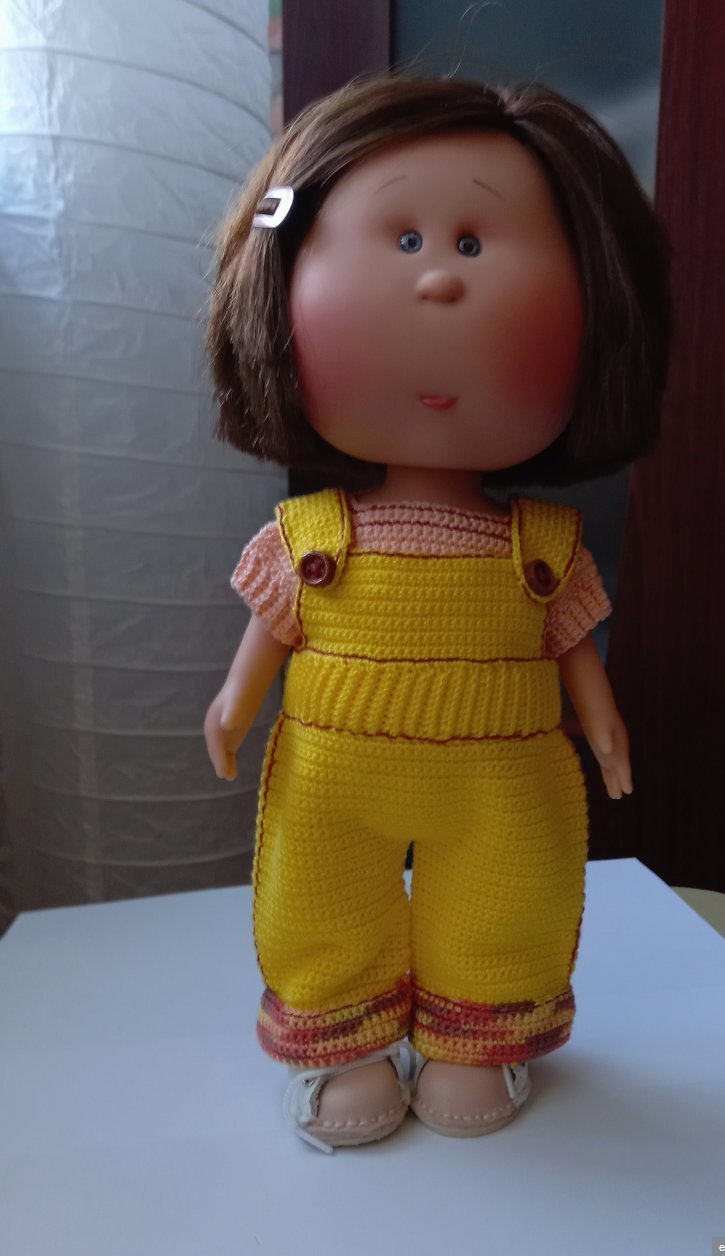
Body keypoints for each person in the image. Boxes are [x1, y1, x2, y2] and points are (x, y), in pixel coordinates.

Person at [204, 74, 671, 1152]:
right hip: (334, 771)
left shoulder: (542, 549)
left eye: (472, 242)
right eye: (405, 239)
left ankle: (479, 1035)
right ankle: (342, 1041)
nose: (438, 280)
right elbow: (266, 638)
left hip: (502, 775)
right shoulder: (311, 537)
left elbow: (574, 648)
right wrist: (233, 704)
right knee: (319, 901)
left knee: (505, 901)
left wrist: (604, 727)